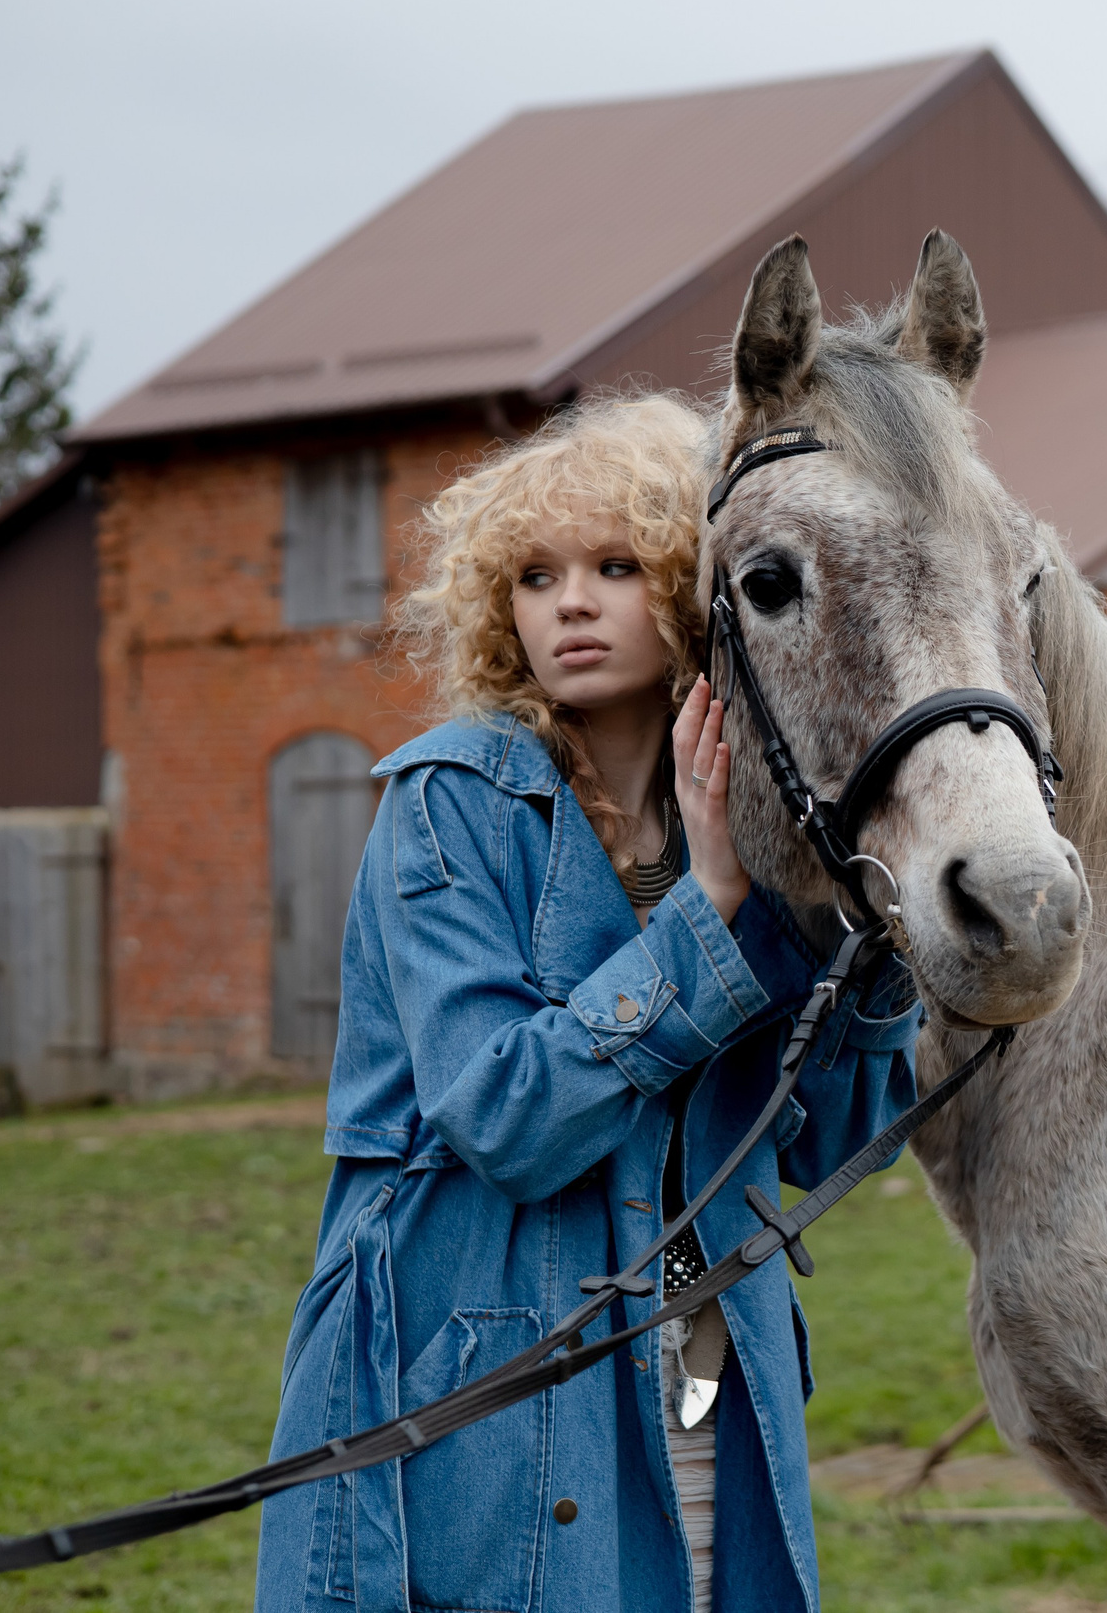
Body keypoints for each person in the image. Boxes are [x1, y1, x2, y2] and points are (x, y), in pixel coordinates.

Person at [255, 395, 920, 1613]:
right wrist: (704, 909)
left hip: (708, 1376)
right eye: (536, 575)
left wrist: (875, 940)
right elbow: (506, 1114)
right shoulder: (448, 806)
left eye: (616, 567)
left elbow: (832, 1142)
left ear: (692, 595)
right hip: (487, 1376)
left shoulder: (764, 828)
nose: (570, 603)